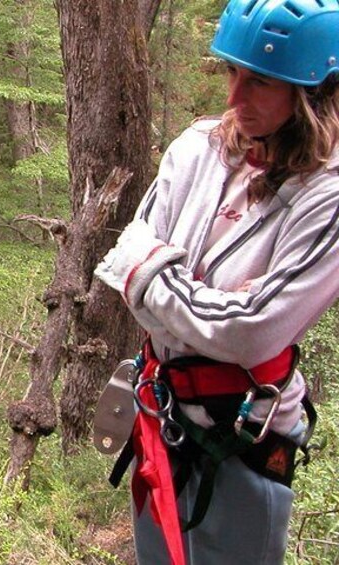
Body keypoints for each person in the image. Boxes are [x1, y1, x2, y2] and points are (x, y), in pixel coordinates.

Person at [94, 1, 339, 563]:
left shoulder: (326, 196)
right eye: (231, 72)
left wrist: (153, 272)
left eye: (259, 81)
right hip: (161, 417)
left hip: (244, 439)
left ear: (313, 92)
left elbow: (251, 331)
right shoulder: (198, 149)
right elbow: (121, 265)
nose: (233, 98)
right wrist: (208, 304)